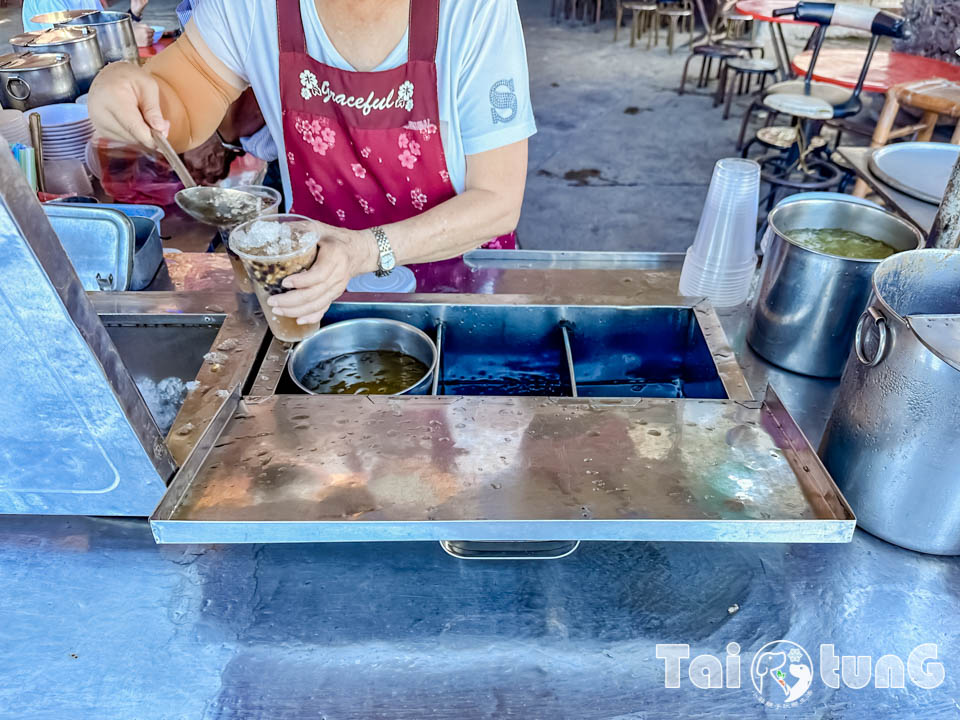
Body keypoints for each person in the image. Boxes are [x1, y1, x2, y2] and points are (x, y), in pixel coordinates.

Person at [88, 0, 535, 326]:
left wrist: (362, 251)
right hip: (317, 294)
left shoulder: (474, 9)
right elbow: (178, 104)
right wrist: (123, 85)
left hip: (465, 299)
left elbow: (496, 200)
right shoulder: (251, 8)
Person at [23, 0, 154, 45]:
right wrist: (126, 38)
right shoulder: (47, 2)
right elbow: (66, 46)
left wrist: (134, 13)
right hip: (54, 79)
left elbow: (101, 30)